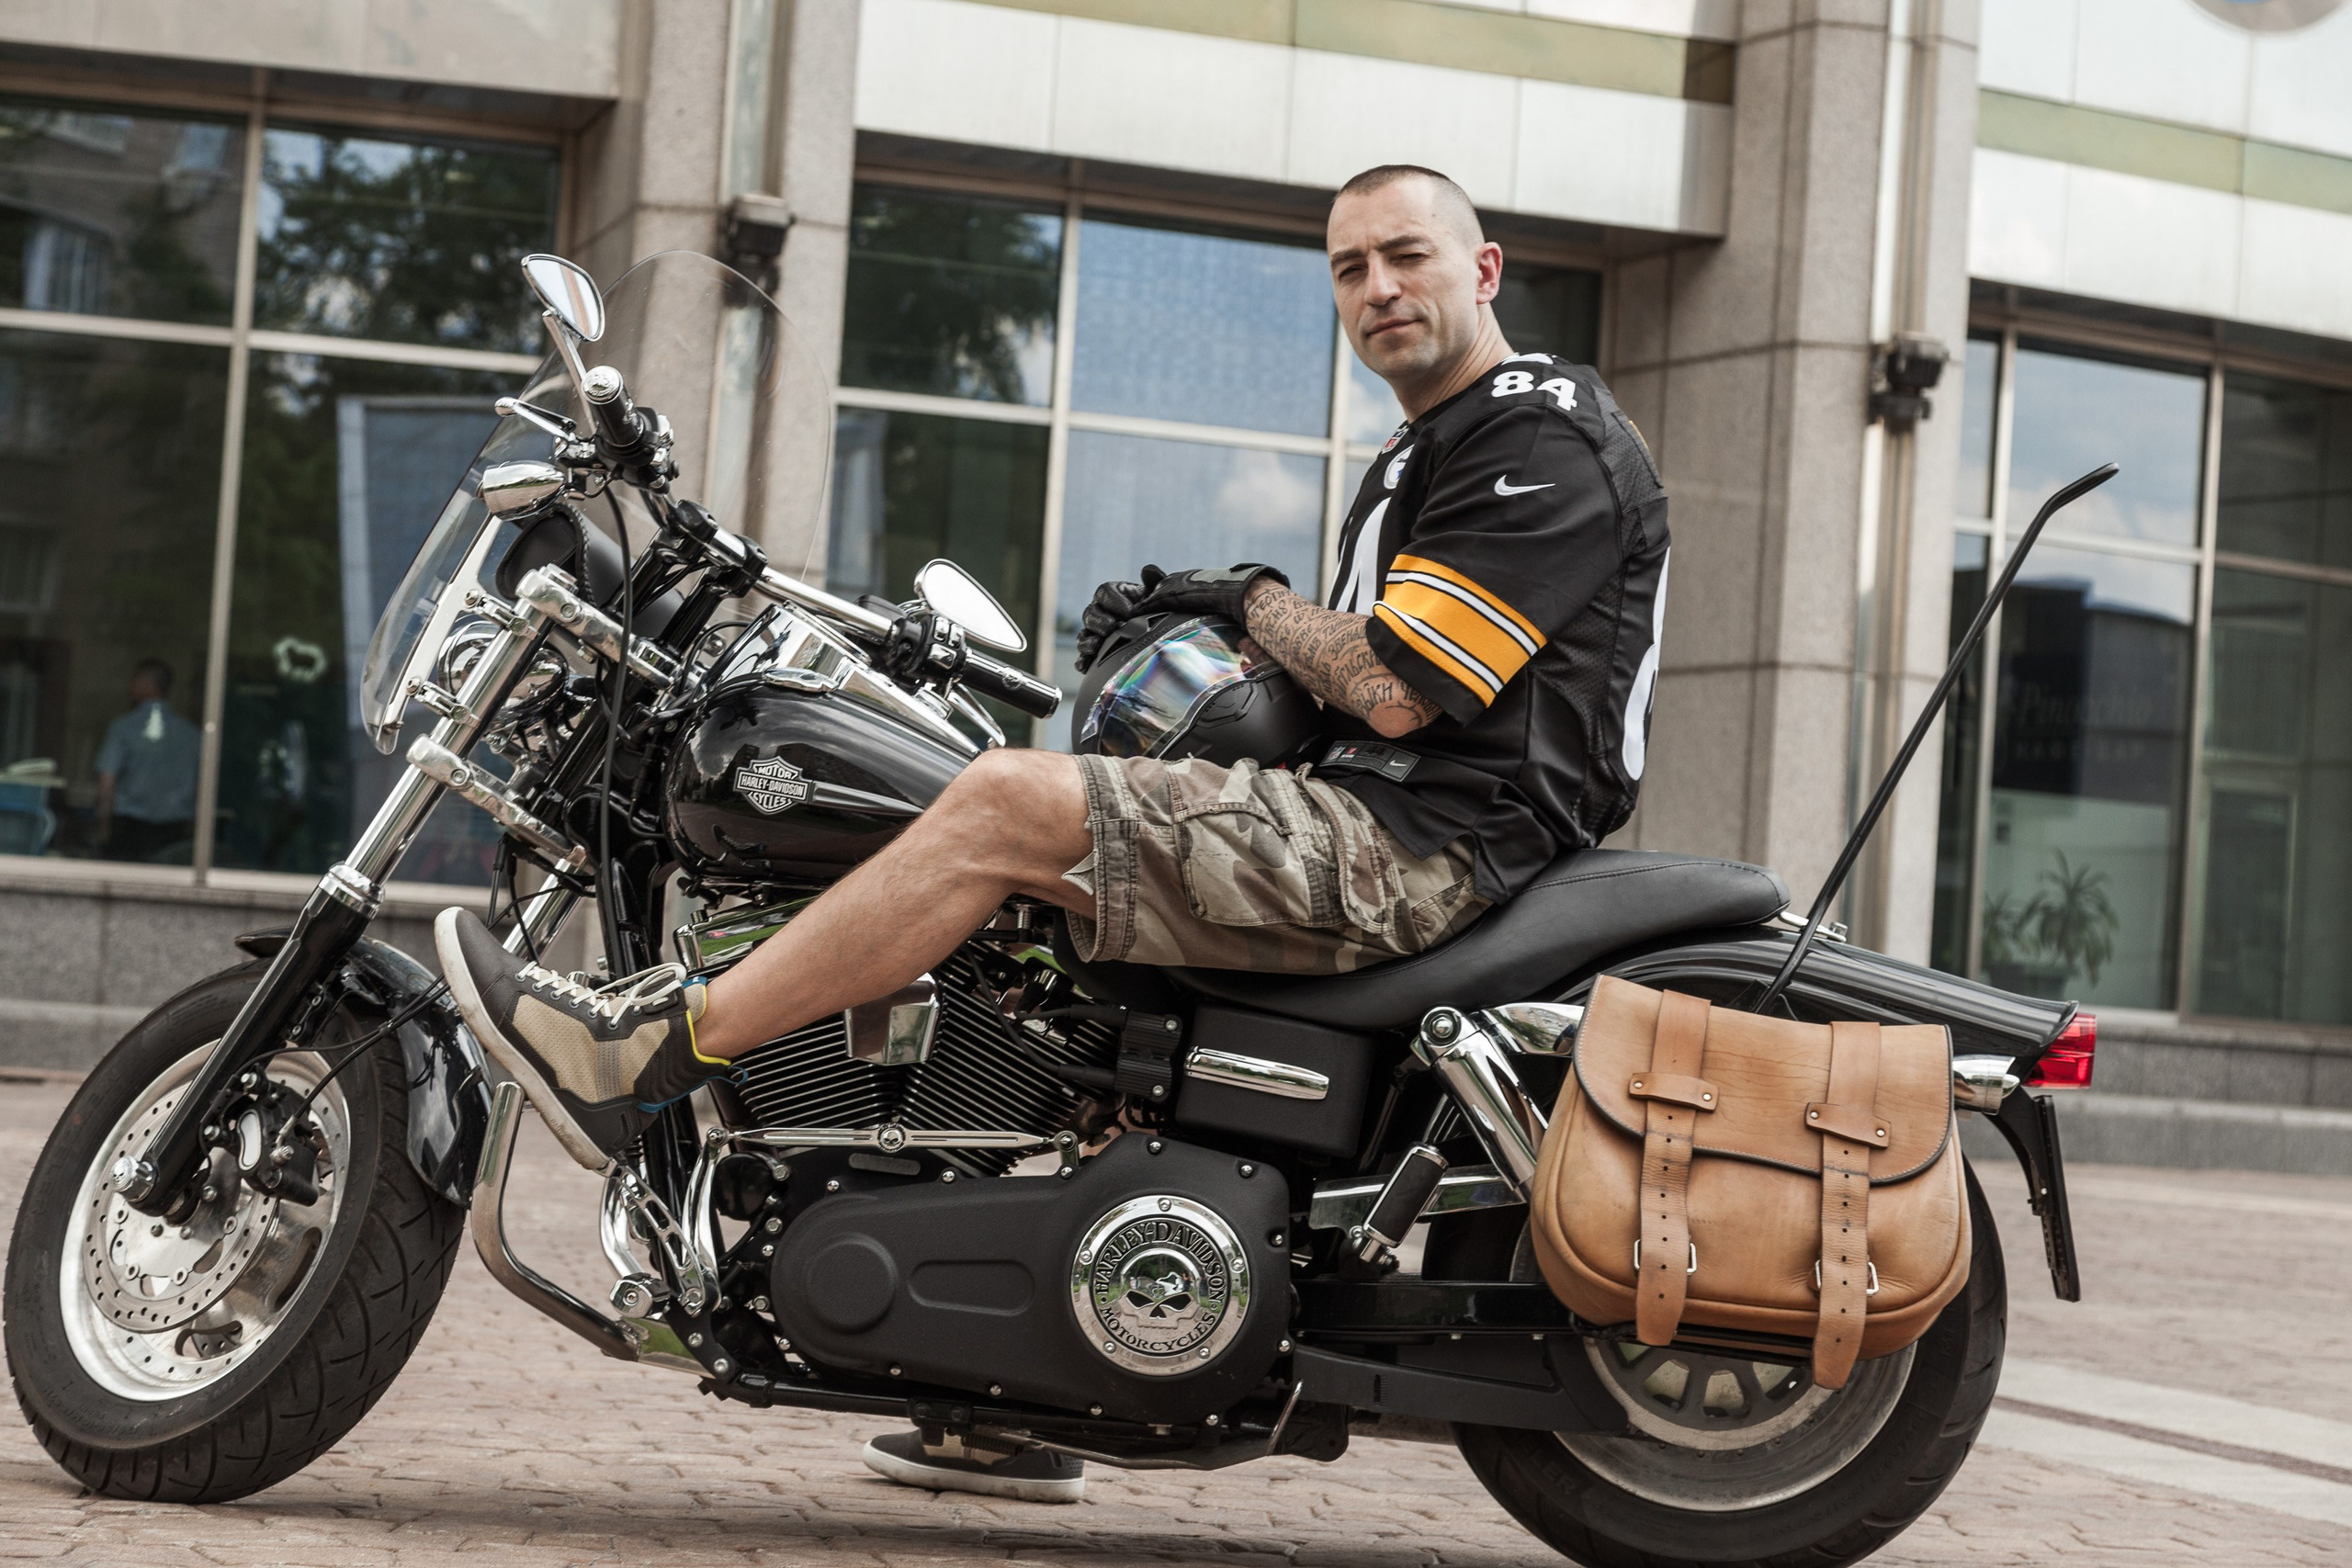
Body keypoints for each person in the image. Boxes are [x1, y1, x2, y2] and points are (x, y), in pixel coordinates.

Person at [434, 164, 1669, 1504]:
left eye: (1407, 256)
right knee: (1030, 948)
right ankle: (997, 1385)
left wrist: (1249, 600)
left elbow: (1395, 683)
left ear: (1483, 273)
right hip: (1390, 822)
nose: (1377, 288)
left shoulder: (1534, 431)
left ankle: (653, 1052)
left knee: (1006, 805)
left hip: (1417, 851)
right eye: (1349, 267)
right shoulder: (1432, 447)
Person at [94, 659, 201, 863]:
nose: (129, 687)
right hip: (175, 829)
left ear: (146, 684)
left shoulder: (123, 729)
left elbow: (106, 782)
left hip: (130, 829)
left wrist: (103, 829)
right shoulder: (192, 734)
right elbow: (201, 785)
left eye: (133, 680)